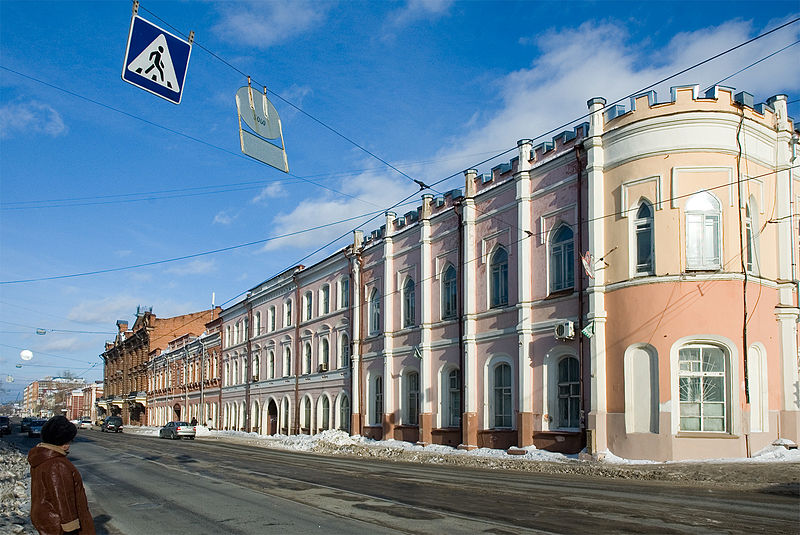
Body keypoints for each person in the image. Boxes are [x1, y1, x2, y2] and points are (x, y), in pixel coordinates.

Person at [27, 415, 95, 535]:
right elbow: (63, 500)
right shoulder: (57, 464)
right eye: (69, 439)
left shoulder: (41, 458)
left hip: (47, 522)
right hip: (61, 528)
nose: (70, 443)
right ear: (62, 440)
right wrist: (71, 529)